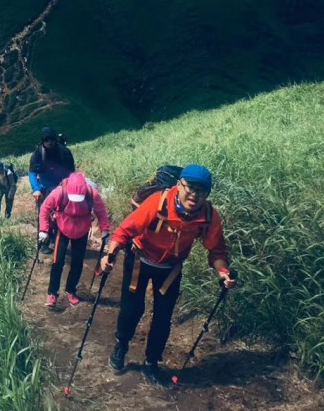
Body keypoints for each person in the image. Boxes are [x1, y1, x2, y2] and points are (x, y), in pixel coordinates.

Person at [100, 164, 237, 385]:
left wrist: (223, 272)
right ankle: (121, 345)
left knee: (163, 318)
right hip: (139, 260)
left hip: (170, 269)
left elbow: (217, 250)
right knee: (132, 309)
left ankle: (151, 362)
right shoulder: (158, 202)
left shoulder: (209, 216)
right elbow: (126, 230)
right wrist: (110, 254)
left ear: (207, 193)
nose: (194, 194)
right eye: (190, 187)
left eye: (201, 190)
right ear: (179, 185)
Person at [39, 172, 109, 308]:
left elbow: (101, 211)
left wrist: (105, 229)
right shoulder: (59, 192)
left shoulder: (92, 194)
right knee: (57, 262)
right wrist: (44, 229)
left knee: (77, 263)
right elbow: (45, 209)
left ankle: (71, 290)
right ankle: (52, 293)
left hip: (82, 230)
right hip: (63, 228)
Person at [29, 126, 75, 253]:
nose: (50, 142)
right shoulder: (38, 154)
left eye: (52, 139)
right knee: (44, 214)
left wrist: (70, 186)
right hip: (44, 188)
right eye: (46, 140)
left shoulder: (65, 152)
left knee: (62, 214)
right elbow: (32, 172)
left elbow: (72, 172)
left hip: (62, 187)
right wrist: (36, 189)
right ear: (42, 141)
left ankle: (58, 238)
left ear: (56, 140)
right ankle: (44, 242)